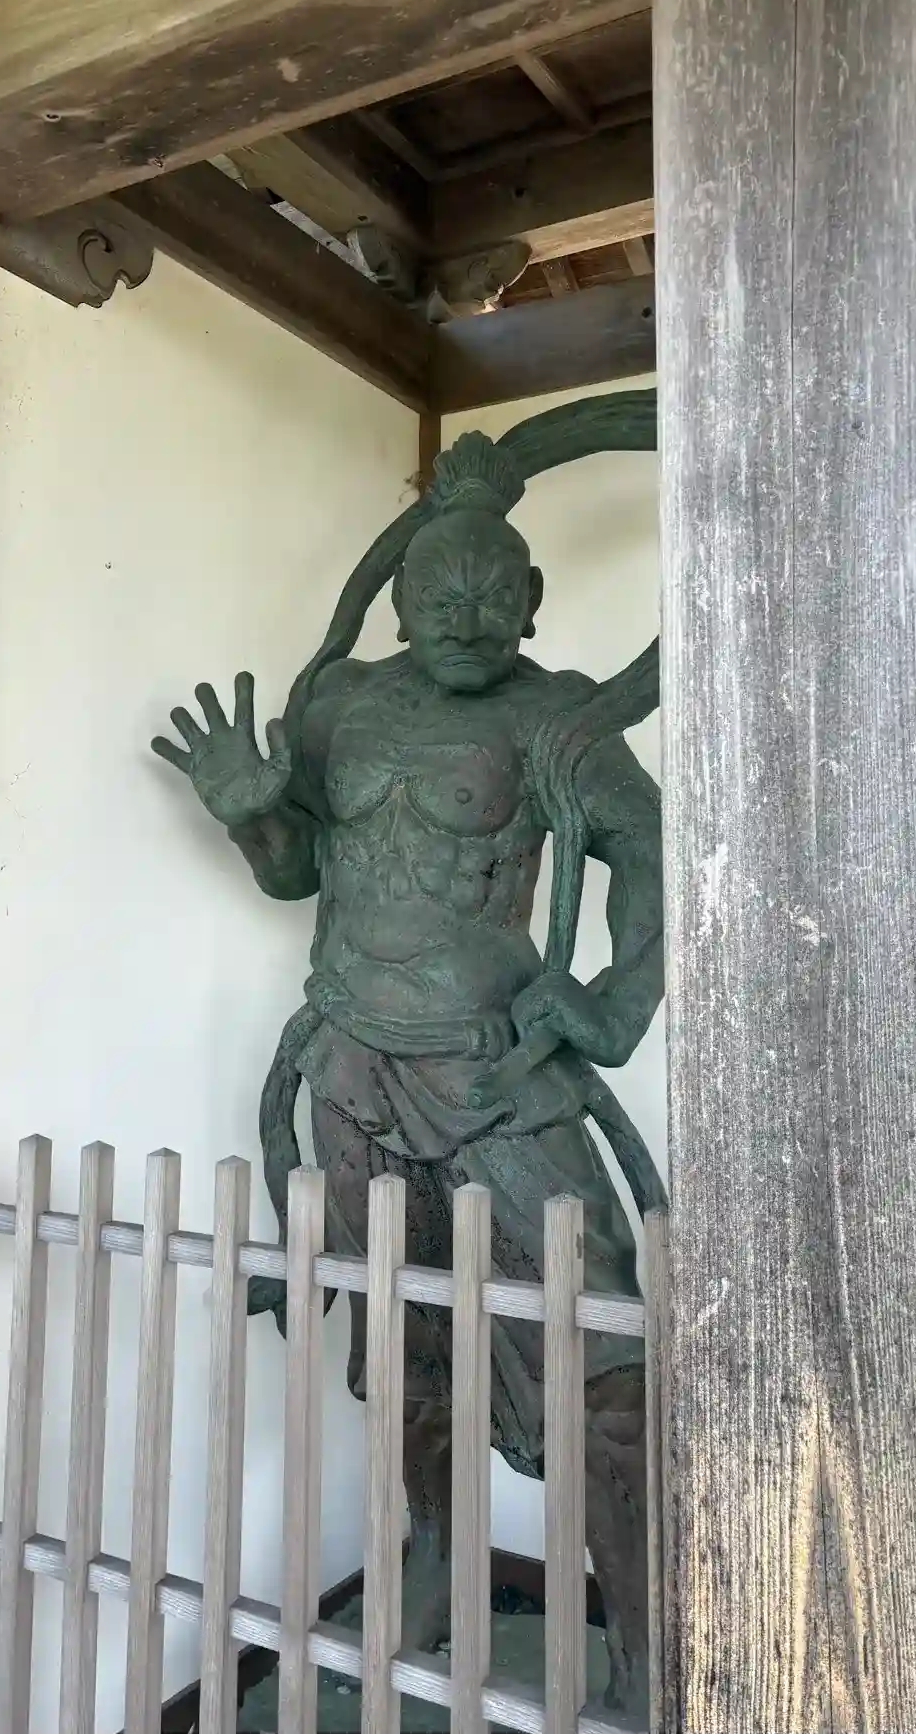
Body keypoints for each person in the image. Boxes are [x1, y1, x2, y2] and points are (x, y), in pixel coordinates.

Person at [153, 426, 663, 1718]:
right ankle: (433, 1564)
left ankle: (649, 1637)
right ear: (396, 599)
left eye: (494, 596)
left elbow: (655, 856)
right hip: (350, 1067)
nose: (467, 618)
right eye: (440, 594)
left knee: (602, 1358)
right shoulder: (342, 707)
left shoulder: (560, 718)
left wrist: (610, 1006)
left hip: (500, 1079)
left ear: (533, 600)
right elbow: (298, 875)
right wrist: (251, 812)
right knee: (407, 1341)